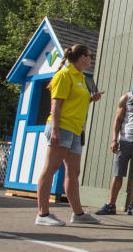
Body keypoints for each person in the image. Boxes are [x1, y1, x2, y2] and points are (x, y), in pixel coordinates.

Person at [34, 44, 104, 226]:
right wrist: (55, 130)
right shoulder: (64, 75)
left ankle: (78, 214)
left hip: (75, 130)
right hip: (62, 127)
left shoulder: (80, 77)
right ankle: (42, 214)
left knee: (74, 172)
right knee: (51, 168)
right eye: (89, 56)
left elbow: (73, 103)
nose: (91, 59)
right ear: (82, 57)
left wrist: (90, 99)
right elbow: (56, 105)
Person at [95, 73, 133, 217]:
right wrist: (114, 139)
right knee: (118, 173)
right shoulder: (126, 98)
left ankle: (132, 206)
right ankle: (111, 204)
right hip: (125, 141)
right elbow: (118, 120)